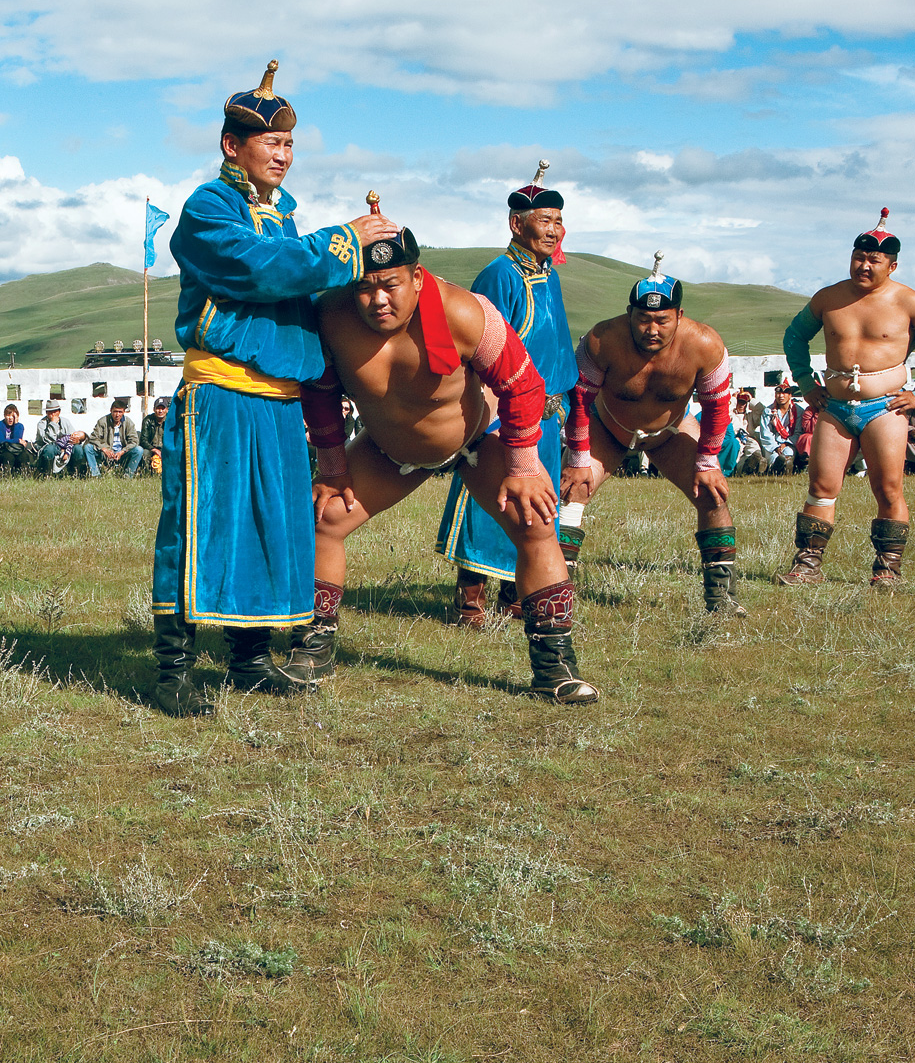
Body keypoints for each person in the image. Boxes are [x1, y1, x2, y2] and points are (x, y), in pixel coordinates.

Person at [150, 60, 398, 713]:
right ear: (232, 145)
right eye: (271, 142)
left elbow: (304, 283)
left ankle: (249, 660)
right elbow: (260, 272)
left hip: (281, 400)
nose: (283, 155)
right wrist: (343, 242)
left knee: (271, 529)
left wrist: (372, 266)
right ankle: (172, 672)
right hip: (222, 395)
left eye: (289, 144)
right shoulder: (209, 209)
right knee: (203, 526)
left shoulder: (286, 218)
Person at [280, 226, 596, 702]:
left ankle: (555, 668)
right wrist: (333, 470)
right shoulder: (330, 316)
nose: (378, 300)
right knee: (324, 518)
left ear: (418, 278)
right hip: (390, 449)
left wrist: (524, 467)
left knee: (536, 524)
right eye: (364, 287)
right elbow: (320, 393)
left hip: (477, 437)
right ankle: (310, 651)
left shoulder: (464, 311)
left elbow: (524, 383)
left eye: (391, 284)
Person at [776, 209, 915, 588]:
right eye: (859, 257)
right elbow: (794, 337)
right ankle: (807, 566)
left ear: (892, 266)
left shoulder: (912, 302)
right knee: (822, 487)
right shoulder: (828, 298)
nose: (864, 265)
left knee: (888, 487)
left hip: (886, 407)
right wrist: (806, 384)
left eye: (874, 260)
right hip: (835, 407)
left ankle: (886, 570)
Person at [436, 164, 580, 626]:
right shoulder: (499, 275)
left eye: (559, 221)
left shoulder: (550, 274)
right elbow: (479, 345)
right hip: (505, 409)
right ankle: (470, 601)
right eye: (545, 220)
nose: (554, 230)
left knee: (538, 506)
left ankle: (519, 596)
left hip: (548, 412)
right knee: (490, 502)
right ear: (517, 224)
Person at [557, 271, 743, 615]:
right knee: (572, 492)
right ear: (629, 313)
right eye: (643, 319)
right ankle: (557, 594)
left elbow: (717, 409)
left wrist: (708, 463)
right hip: (608, 427)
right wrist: (579, 456)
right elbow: (580, 400)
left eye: (662, 320)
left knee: (712, 495)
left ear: (680, 316)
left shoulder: (705, 344)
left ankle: (722, 599)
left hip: (669, 432)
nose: (651, 329)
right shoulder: (602, 339)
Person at [81, 397, 146, 477]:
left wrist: (122, 452)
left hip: (122, 453)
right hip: (106, 453)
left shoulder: (128, 422)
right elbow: (94, 438)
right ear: (111, 410)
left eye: (120, 412)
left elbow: (134, 441)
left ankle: (128, 476)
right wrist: (104, 449)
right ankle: (96, 475)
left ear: (123, 412)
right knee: (88, 447)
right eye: (115, 411)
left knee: (139, 450)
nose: (117, 414)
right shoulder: (103, 421)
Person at [34, 399, 78, 474]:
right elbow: (47, 440)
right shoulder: (42, 423)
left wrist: (76, 440)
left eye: (55, 411)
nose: (53, 414)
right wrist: (53, 424)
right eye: (50, 412)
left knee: (78, 449)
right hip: (47, 446)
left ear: (59, 412)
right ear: (46, 413)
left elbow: (72, 434)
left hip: (65, 446)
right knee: (50, 449)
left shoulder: (65, 421)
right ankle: (47, 473)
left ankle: (75, 472)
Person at [0, 403, 34, 473]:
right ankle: (6, 477)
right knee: (8, 456)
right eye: (8, 415)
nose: (10, 418)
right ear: (4, 416)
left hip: (15, 449)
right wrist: (17, 440)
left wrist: (16, 423)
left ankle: (25, 477)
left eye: (13, 416)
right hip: (2, 449)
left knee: (24, 456)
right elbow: (1, 441)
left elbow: (17, 439)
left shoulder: (19, 426)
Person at [141, 396, 169, 475]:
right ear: (154, 409)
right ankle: (147, 475)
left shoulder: (169, 421)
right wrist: (154, 450)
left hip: (165, 448)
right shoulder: (148, 420)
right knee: (144, 454)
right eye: (158, 408)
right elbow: (143, 440)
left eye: (162, 409)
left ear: (166, 410)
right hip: (151, 448)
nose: (160, 411)